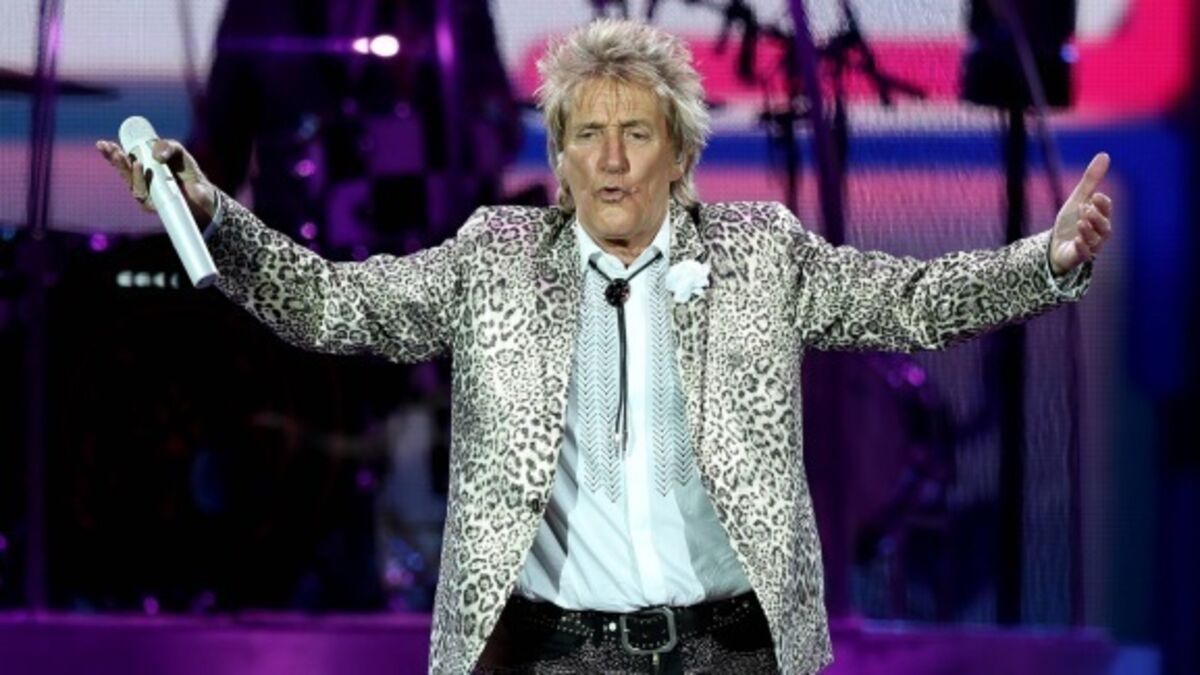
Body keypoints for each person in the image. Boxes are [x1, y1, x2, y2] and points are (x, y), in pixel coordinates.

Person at [97, 18, 1112, 675]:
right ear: (559, 154)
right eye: (587, 134)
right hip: (549, 654)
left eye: (637, 134)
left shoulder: (760, 255)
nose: (613, 160)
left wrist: (1049, 259)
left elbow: (914, 302)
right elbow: (331, 305)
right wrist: (213, 212)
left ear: (680, 153)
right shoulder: (495, 259)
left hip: (728, 650)